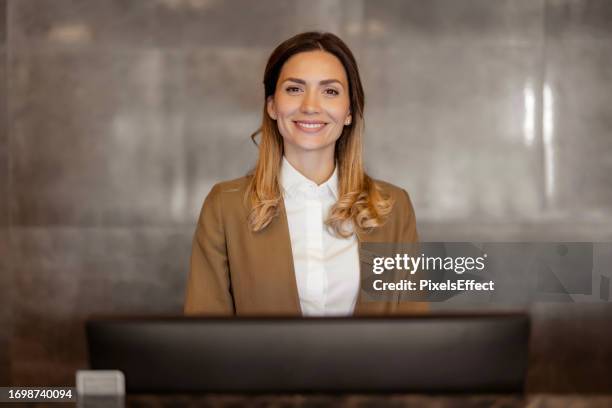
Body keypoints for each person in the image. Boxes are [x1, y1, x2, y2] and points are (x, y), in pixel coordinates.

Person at [184, 31, 427, 316]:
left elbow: (413, 335)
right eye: (295, 89)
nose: (310, 106)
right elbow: (206, 339)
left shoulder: (394, 208)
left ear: (349, 111)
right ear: (272, 105)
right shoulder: (225, 206)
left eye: (330, 91)